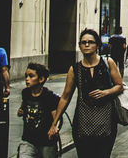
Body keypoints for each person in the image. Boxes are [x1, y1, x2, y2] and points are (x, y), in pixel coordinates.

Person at [49, 29, 123, 158]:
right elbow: (65, 97)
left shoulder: (107, 63)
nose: (87, 45)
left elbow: (119, 86)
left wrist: (106, 92)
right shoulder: (75, 69)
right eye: (83, 43)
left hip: (106, 124)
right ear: (79, 46)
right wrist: (54, 123)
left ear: (97, 45)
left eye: (90, 42)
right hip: (83, 125)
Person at [16, 63, 59, 158]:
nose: (27, 79)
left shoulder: (49, 97)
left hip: (46, 141)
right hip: (28, 139)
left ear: (41, 79)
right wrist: (20, 111)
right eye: (26, 76)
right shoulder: (25, 93)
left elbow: (56, 118)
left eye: (31, 76)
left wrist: (54, 127)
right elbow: (23, 107)